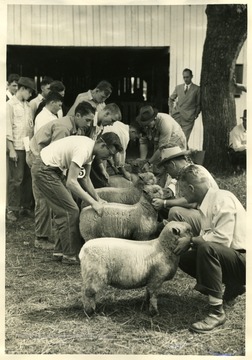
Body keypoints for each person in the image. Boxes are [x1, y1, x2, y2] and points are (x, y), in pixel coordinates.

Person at [173, 164, 246, 333]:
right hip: (235, 259)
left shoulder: (221, 198)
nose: (183, 196)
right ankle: (233, 285)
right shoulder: (207, 204)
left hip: (245, 261)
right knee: (185, 258)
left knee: (207, 249)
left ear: (191, 188)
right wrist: (191, 242)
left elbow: (222, 239)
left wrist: (191, 240)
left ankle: (216, 313)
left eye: (183, 192)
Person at [31, 132, 123, 265]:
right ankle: (70, 255)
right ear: (102, 145)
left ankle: (60, 250)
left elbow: (85, 178)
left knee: (63, 209)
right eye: (108, 154)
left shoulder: (91, 152)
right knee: (71, 210)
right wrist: (93, 203)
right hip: (44, 169)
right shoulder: (83, 149)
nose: (107, 158)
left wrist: (97, 199)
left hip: (52, 169)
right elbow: (72, 182)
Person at [27, 101, 95, 249]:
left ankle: (59, 242)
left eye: (91, 121)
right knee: (44, 199)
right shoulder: (64, 128)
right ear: (77, 115)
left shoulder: (75, 126)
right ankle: (41, 238)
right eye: (87, 120)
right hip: (40, 158)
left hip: (49, 162)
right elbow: (55, 151)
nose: (89, 124)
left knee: (59, 201)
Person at [152, 146, 218, 235]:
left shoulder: (193, 173)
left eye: (167, 169)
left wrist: (164, 203)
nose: (168, 173)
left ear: (172, 164)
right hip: (204, 215)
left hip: (211, 219)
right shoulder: (186, 172)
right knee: (168, 210)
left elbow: (192, 202)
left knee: (174, 211)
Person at [6, 77, 36, 221]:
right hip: (16, 146)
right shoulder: (10, 105)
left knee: (27, 178)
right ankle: (12, 209)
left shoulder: (28, 106)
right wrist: (11, 148)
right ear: (22, 89)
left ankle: (25, 207)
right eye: (29, 92)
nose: (30, 96)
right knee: (15, 179)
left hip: (27, 146)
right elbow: (7, 128)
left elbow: (30, 128)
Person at [136, 105, 187, 170]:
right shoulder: (145, 124)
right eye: (145, 124)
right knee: (156, 165)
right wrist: (142, 161)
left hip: (175, 141)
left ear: (154, 119)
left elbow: (162, 148)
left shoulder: (165, 123)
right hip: (160, 142)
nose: (146, 127)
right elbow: (143, 142)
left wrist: (148, 163)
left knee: (173, 165)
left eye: (148, 124)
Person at [169, 68, 201, 142]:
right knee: (175, 139)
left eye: (187, 77)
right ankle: (183, 153)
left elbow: (198, 104)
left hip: (188, 118)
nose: (185, 79)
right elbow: (171, 99)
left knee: (184, 140)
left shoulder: (197, 89)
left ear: (191, 76)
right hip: (177, 116)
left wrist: (195, 114)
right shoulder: (178, 87)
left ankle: (184, 153)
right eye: (184, 77)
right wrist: (171, 111)